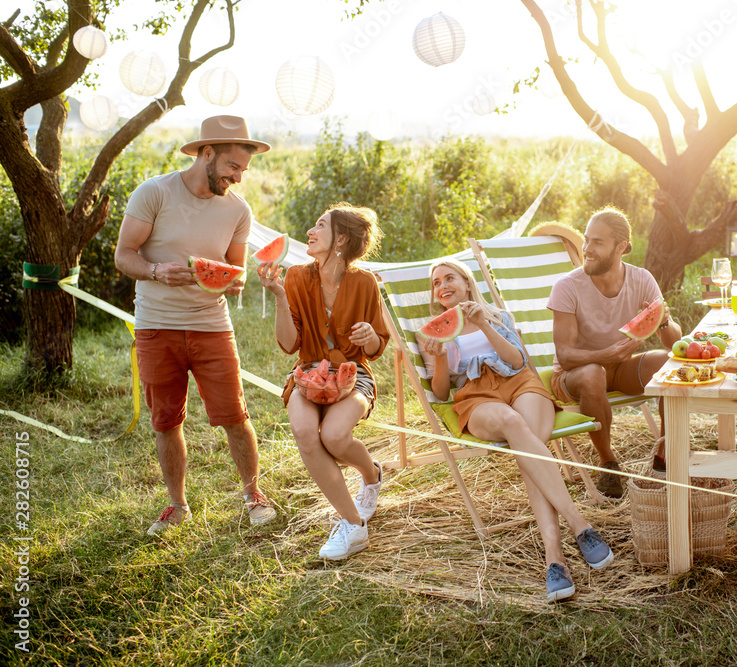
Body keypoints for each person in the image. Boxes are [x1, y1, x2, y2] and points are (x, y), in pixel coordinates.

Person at [114, 115, 278, 535]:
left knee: (235, 416)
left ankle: (253, 493)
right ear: (207, 154)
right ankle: (177, 504)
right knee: (166, 421)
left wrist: (234, 282)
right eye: (232, 167)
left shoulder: (238, 210)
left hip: (212, 326)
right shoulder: (154, 192)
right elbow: (124, 255)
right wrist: (154, 271)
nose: (239, 177)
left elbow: (235, 271)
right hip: (156, 325)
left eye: (243, 169)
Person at [420, 260, 613, 602]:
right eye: (436, 283)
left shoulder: (496, 315)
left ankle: (555, 559)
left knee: (527, 448)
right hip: (476, 395)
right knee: (514, 426)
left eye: (449, 278)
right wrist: (437, 358)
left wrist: (484, 324)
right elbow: (439, 393)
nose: (442, 286)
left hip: (520, 384)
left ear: (466, 283)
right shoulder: (432, 332)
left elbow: (516, 362)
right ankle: (579, 524)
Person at [257, 204, 389, 560]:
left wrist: (367, 337)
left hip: (354, 374)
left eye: (320, 226)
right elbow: (289, 345)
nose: (310, 232)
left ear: (341, 239)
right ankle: (353, 526)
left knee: (333, 436)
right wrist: (280, 297)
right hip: (308, 371)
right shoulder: (297, 277)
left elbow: (376, 348)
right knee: (304, 432)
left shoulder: (364, 283)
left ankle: (371, 474)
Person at [547, 207, 682, 498]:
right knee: (595, 373)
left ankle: (665, 454)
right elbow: (566, 355)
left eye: (597, 242)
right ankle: (609, 465)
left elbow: (673, 342)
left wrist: (663, 319)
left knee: (670, 364)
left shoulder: (642, 279)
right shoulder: (567, 287)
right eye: (586, 240)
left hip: (619, 367)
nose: (586, 249)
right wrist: (606, 355)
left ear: (621, 247)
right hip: (574, 375)